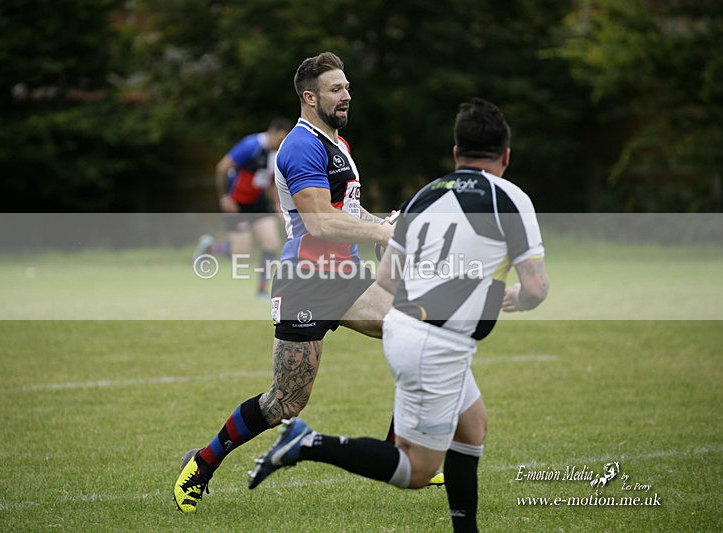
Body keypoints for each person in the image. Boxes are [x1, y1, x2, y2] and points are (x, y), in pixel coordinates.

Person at [247, 97, 550, 533]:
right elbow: (537, 288)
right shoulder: (512, 198)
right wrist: (513, 297)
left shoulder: (428, 195)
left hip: (411, 327)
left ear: (455, 155)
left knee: (472, 426)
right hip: (434, 341)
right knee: (415, 470)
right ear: (505, 155)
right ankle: (306, 442)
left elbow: (388, 277)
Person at [175, 51, 398, 513]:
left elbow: (346, 213)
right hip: (306, 285)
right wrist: (383, 233)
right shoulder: (300, 146)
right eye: (337, 89)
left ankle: (403, 452)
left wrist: (381, 223)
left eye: (348, 87)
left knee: (414, 330)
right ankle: (202, 461)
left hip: (345, 276)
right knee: (285, 401)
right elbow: (318, 222)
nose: (347, 95)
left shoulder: (339, 144)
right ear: (310, 97)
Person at [193, 117, 292, 297]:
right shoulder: (250, 145)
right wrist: (224, 197)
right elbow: (222, 168)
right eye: (282, 138)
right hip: (237, 205)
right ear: (275, 133)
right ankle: (210, 248)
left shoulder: (276, 154)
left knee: (271, 243)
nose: (282, 143)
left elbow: (271, 183)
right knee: (240, 253)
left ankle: (262, 292)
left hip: (259, 205)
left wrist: (278, 205)